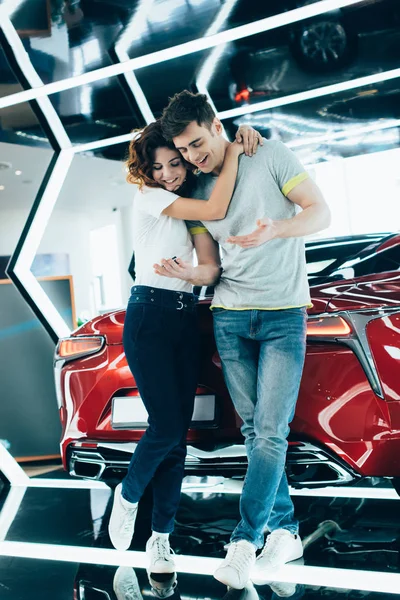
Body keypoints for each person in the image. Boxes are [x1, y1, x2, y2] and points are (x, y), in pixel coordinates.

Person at [155, 91, 331, 589]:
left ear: (215, 125)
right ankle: (286, 530)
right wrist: (188, 272)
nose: (191, 157)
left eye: (195, 143)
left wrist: (279, 228)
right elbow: (211, 263)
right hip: (230, 318)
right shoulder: (196, 190)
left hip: (282, 317)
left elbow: (320, 213)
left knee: (271, 431)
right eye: (183, 151)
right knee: (255, 432)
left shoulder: (267, 153)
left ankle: (243, 540)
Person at [108, 120, 262, 574]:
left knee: (178, 438)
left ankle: (161, 540)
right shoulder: (151, 197)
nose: (170, 173)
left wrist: (190, 275)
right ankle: (128, 494)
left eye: (176, 163)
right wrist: (234, 150)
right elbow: (218, 204)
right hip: (149, 317)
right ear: (148, 172)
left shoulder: (190, 209)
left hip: (184, 316)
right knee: (167, 427)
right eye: (159, 168)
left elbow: (210, 269)